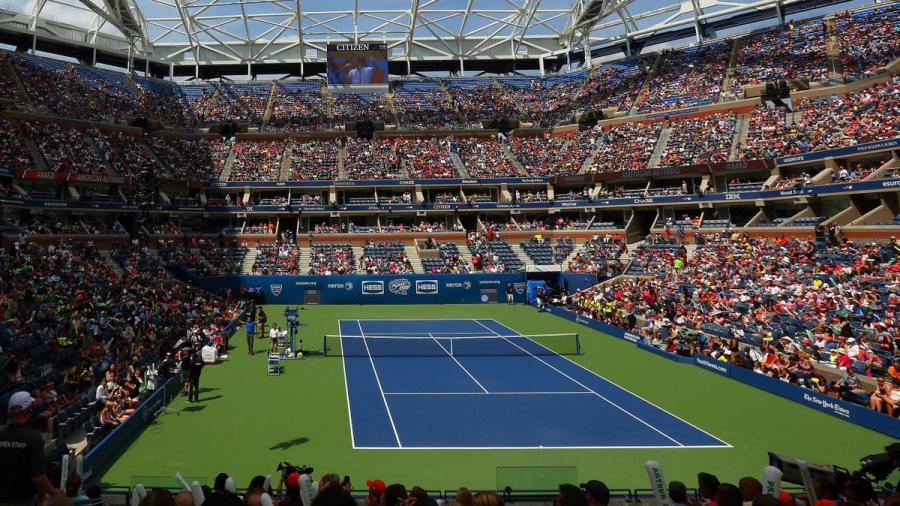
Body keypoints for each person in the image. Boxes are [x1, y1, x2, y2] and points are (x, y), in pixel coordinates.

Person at [0, 391, 64, 505]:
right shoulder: (33, 438)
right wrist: (54, 492)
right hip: (22, 500)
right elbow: (38, 478)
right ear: (29, 410)